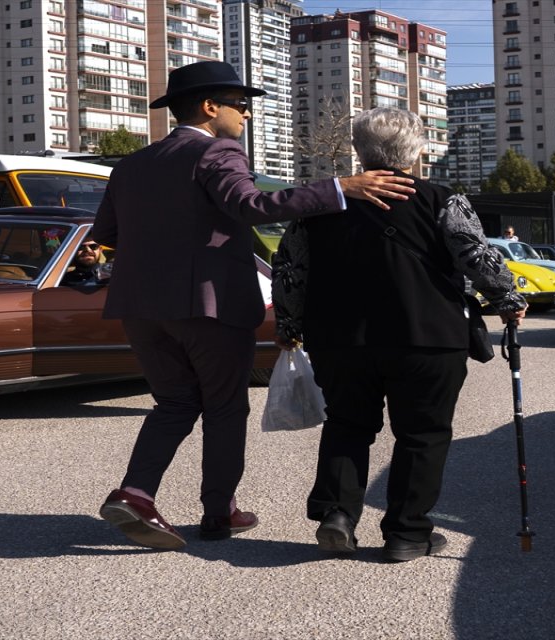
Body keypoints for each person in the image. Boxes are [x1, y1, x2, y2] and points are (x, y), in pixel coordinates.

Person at [91, 61, 415, 550]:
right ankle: (219, 511)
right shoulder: (218, 151)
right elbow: (250, 206)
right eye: (240, 105)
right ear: (209, 107)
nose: (246, 114)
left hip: (141, 307)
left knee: (174, 403)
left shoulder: (132, 164)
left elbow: (108, 234)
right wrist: (339, 188)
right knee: (224, 408)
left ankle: (135, 493)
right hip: (210, 306)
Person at [272, 107, 527, 562]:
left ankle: (338, 515)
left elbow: (291, 269)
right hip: (427, 336)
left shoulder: (322, 205)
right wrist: (507, 297)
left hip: (340, 337)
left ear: (359, 150)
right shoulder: (441, 199)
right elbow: (474, 254)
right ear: (417, 150)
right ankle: (407, 534)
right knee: (422, 433)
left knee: (347, 424)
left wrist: (289, 325)